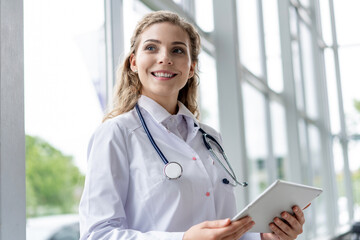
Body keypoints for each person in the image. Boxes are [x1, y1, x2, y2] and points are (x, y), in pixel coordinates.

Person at [79, 10, 305, 240]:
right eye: (151, 48)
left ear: (191, 68)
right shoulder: (116, 133)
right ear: (134, 62)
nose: (164, 58)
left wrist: (266, 237)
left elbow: (223, 229)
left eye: (177, 50)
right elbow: (97, 234)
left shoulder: (209, 137)